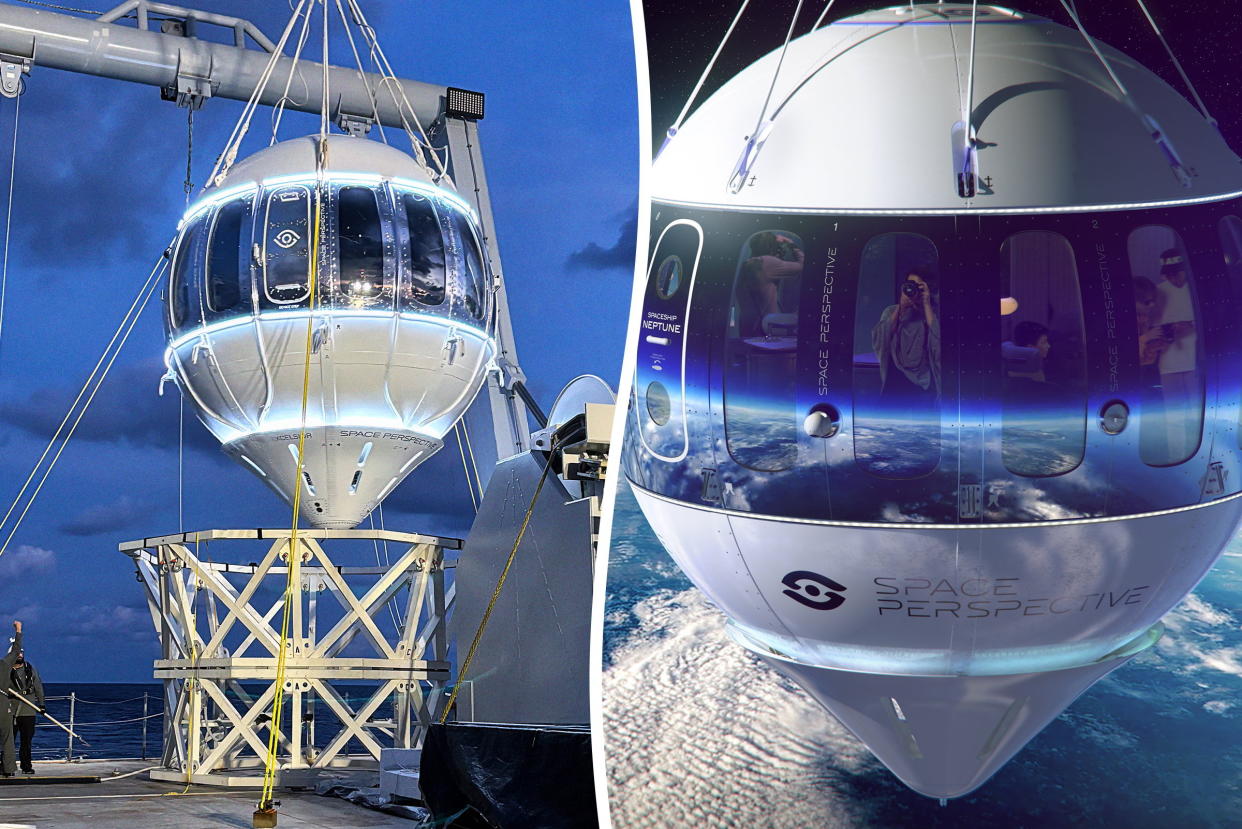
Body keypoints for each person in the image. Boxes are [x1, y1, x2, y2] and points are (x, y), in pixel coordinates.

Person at [872, 271, 941, 401]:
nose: (912, 289)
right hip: (894, 384)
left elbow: (938, 343)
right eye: (910, 285)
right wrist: (901, 307)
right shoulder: (891, 311)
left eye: (917, 286)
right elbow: (882, 338)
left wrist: (926, 304)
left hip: (923, 387)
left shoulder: (931, 314)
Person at [10, 651, 43, 775]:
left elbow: (38, 686)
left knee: (26, 742)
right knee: (8, 742)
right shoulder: (5, 670)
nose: (19, 656)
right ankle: (8, 767)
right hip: (10, 711)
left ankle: (26, 766)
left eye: (21, 653)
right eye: (16, 653)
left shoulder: (30, 669)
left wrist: (42, 704)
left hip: (28, 711)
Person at [0, 620, 22, 778]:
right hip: (2, 702)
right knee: (7, 738)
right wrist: (18, 630)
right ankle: (8, 769)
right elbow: (16, 650)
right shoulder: (4, 664)